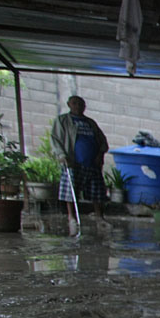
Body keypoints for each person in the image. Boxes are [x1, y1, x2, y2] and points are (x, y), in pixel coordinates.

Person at [51, 95, 110, 231]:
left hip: (92, 163)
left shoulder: (90, 122)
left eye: (81, 104)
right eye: (75, 103)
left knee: (97, 191)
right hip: (72, 161)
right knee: (70, 191)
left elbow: (102, 141)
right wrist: (61, 155)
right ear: (69, 104)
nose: (78, 106)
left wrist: (100, 154)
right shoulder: (63, 121)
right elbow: (56, 140)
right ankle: (72, 217)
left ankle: (99, 217)